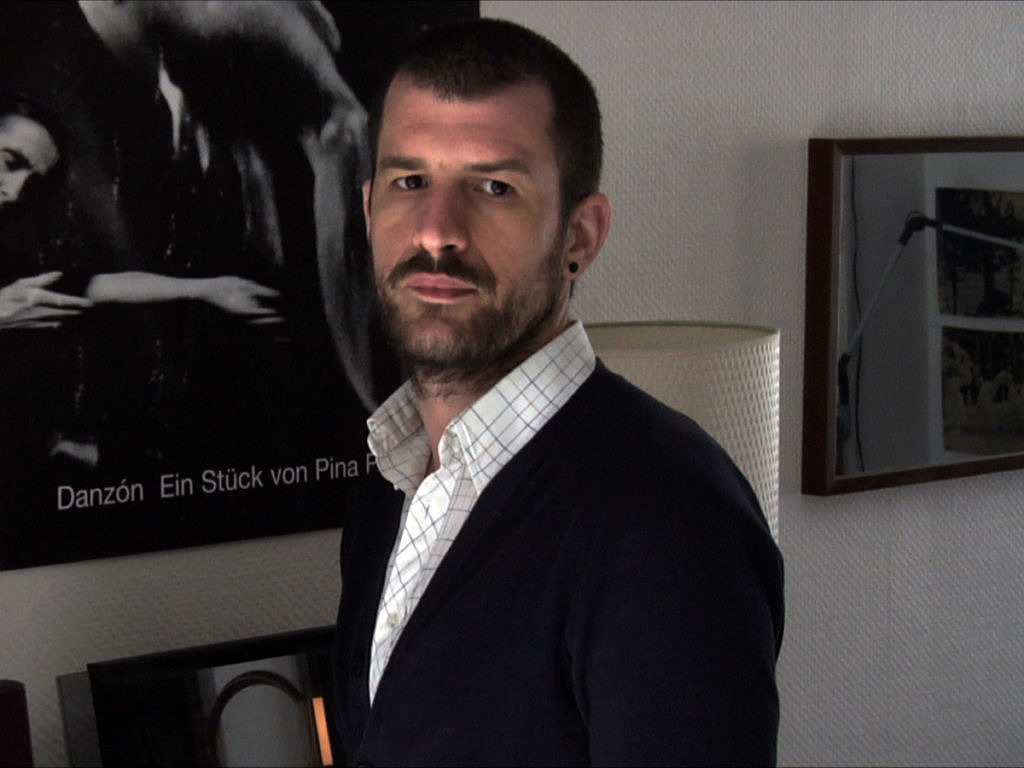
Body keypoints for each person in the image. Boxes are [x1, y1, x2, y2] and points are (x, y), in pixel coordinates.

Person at [331, 18, 784, 766]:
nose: (437, 232)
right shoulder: (394, 481)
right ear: (370, 205)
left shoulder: (668, 519)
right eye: (411, 182)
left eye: (494, 187)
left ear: (580, 236)